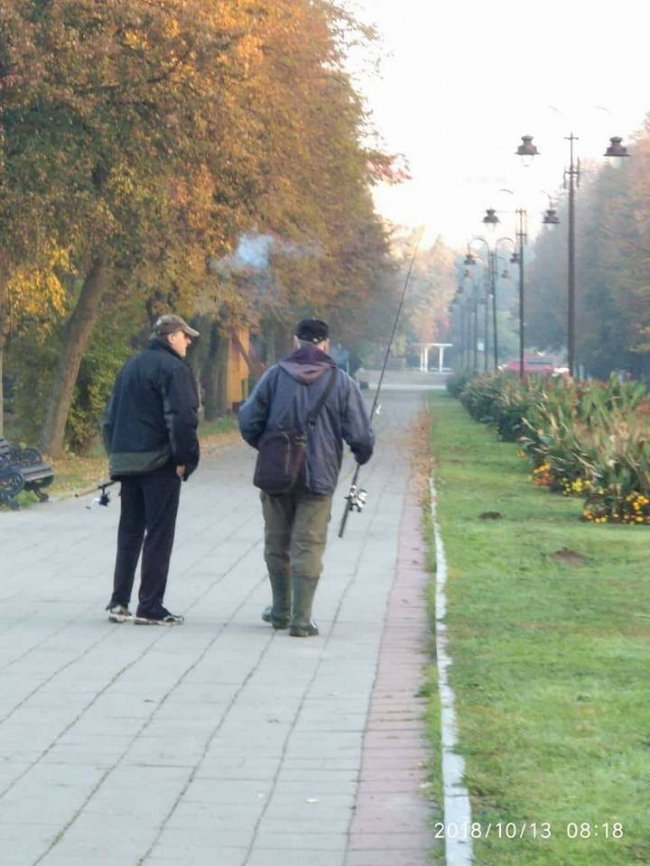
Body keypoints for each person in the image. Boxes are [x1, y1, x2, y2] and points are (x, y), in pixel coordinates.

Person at [238, 317, 374, 637]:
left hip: (276, 474)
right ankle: (302, 618)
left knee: (276, 544)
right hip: (320, 476)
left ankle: (281, 610)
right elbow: (361, 436)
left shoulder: (273, 377)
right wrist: (361, 454)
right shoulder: (341, 382)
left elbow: (247, 421)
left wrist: (269, 447)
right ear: (325, 344)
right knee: (308, 546)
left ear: (295, 342)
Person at [102, 314, 200, 625]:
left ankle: (119, 602)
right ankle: (150, 605)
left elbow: (109, 417)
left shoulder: (130, 366)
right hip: (159, 463)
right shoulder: (174, 369)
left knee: (129, 532)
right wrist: (186, 458)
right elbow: (182, 417)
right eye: (186, 336)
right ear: (172, 337)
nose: (189, 342)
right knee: (158, 534)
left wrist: (116, 455)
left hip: (127, 462)